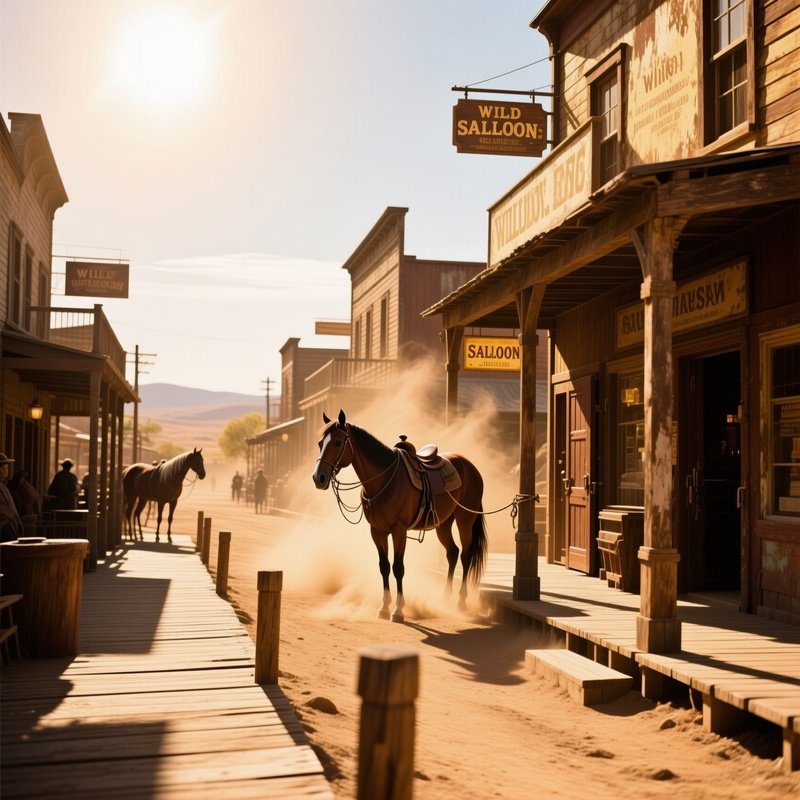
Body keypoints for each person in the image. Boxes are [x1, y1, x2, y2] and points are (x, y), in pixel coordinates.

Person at [0, 453, 24, 542]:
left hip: (9, 527)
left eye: (7, 468)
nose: (6, 471)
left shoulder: (3, 486)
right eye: (3, 469)